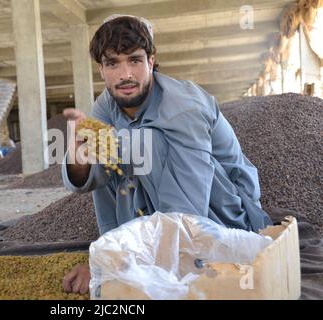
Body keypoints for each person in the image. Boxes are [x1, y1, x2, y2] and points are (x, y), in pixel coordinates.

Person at [61, 15, 272, 295]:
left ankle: (148, 262)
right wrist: (79, 157)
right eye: (113, 63)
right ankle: (121, 251)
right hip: (164, 214)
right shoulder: (108, 103)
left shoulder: (183, 108)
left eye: (134, 60)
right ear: (101, 69)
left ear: (151, 61)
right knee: (107, 150)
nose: (125, 75)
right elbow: (89, 178)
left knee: (146, 144)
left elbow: (186, 216)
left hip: (223, 219)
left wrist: (113, 269)